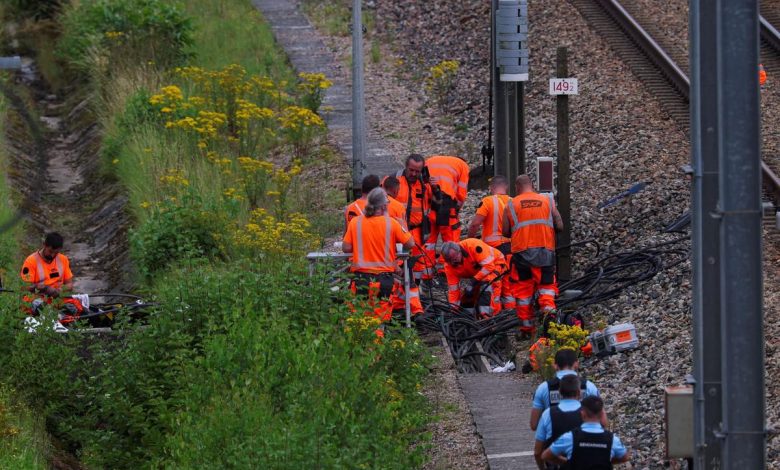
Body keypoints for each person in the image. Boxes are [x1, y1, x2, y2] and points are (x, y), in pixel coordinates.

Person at [343, 188, 415, 324]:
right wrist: (402, 225)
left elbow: (346, 248)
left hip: (360, 280)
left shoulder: (355, 222)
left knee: (358, 321)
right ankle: (376, 344)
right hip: (383, 281)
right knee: (378, 323)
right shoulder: (391, 223)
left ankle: (362, 344)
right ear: (383, 206)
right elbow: (411, 243)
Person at [502, 174, 563, 334]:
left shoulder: (510, 204)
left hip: (522, 255)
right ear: (532, 185)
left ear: (517, 187)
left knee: (523, 292)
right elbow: (560, 225)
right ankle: (550, 321)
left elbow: (505, 232)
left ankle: (527, 329)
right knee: (547, 289)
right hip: (546, 252)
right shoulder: (547, 201)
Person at [467, 175, 515, 310]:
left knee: (494, 285)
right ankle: (510, 315)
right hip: (512, 249)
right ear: (506, 187)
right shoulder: (514, 202)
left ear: (491, 187)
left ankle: (493, 317)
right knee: (509, 284)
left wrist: (470, 240)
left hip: (494, 251)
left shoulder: (488, 201)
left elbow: (475, 224)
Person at [542, 396, 630, 468]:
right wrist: (607, 460)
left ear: (582, 414)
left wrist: (566, 462)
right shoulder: (612, 440)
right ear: (602, 414)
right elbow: (625, 457)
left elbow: (546, 455)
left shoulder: (570, 437)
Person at [531, 349, 600, 431]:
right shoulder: (589, 387)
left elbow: (534, 425)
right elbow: (600, 420)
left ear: (555, 365)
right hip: (582, 440)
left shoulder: (543, 388)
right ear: (576, 364)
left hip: (554, 440)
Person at [424, 155, 470, 275]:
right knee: (450, 237)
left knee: (429, 240)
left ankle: (426, 269)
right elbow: (461, 194)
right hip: (446, 204)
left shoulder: (431, 160)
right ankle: (444, 268)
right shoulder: (463, 166)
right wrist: (456, 212)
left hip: (428, 203)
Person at [440, 239, 508, 317]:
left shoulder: (473, 246)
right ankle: (469, 316)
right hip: (479, 273)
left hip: (496, 264)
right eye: (450, 261)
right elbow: (453, 290)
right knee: (468, 292)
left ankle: (489, 316)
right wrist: (453, 309)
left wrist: (474, 280)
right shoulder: (449, 266)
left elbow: (489, 266)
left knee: (486, 286)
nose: (453, 263)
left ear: (459, 251)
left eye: (455, 259)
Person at [393, 154, 434, 282]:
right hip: (397, 231)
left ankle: (414, 293)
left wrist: (435, 188)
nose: (414, 173)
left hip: (417, 232)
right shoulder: (394, 180)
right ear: (406, 166)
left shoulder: (424, 184)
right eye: (411, 170)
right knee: (397, 263)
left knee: (417, 266)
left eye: (417, 171)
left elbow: (437, 203)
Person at [534, 375, 583, 470]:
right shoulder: (588, 413)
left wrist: (543, 468)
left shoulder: (548, 414)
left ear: (560, 392)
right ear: (579, 392)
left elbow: (537, 452)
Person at [20, 232, 73, 313]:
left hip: (57, 299)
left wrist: (59, 290)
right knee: (39, 308)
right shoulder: (31, 261)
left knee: (75, 307)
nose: (52, 255)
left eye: (56, 253)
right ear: (44, 244)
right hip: (37, 299)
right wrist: (43, 288)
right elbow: (23, 288)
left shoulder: (63, 259)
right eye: (50, 251)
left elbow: (69, 285)